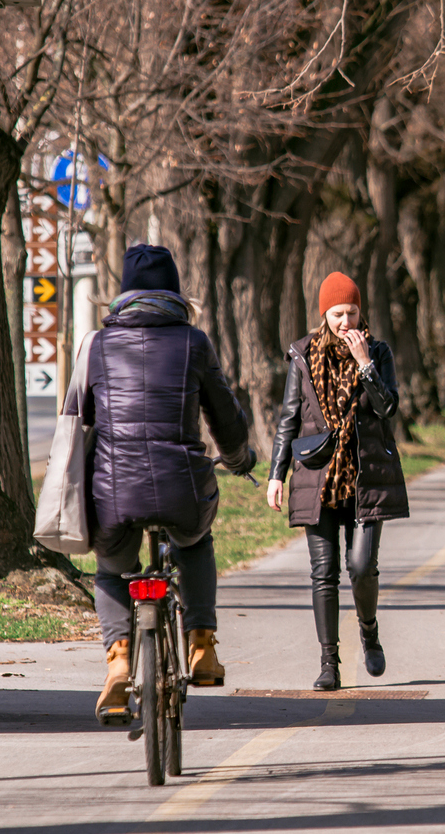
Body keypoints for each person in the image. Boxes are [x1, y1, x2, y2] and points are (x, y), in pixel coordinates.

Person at [72, 244, 256, 723]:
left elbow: (80, 418)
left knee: (112, 567)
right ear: (175, 293)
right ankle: (201, 644)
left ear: (123, 294)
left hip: (114, 492)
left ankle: (118, 660)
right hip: (182, 488)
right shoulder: (194, 343)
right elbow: (224, 417)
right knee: (194, 541)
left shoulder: (97, 346)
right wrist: (240, 459)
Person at [267, 272, 409, 691]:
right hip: (318, 475)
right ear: (324, 314)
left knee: (362, 567)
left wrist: (365, 365)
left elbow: (387, 409)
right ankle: (329, 662)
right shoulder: (303, 354)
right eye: (337, 314)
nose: (346, 321)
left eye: (352, 312)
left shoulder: (378, 352)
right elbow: (289, 418)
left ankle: (369, 631)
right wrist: (276, 474)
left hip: (367, 475)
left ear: (361, 311)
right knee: (323, 573)